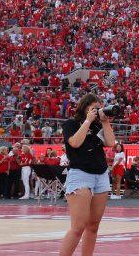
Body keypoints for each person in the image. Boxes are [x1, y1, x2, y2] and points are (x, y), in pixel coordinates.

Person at [59, 93, 117, 256]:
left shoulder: (99, 126)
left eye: (99, 108)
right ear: (85, 108)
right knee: (78, 227)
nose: (98, 111)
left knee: (93, 226)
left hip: (101, 174)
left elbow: (111, 143)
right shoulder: (71, 124)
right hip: (80, 174)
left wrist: (105, 121)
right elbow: (75, 143)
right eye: (94, 108)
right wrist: (88, 121)